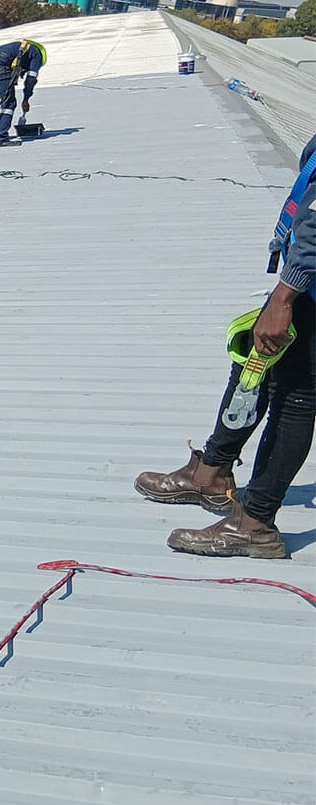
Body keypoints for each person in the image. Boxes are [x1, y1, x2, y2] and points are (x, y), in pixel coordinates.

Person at [135, 133, 316, 558]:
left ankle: (254, 522)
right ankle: (213, 472)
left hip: (306, 290)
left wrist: (285, 296)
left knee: (295, 397)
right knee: (253, 364)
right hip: (303, 285)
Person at [0, 39, 45, 147]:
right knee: (9, 103)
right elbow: (31, 79)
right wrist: (26, 98)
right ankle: (1, 137)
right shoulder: (37, 55)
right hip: (0, 68)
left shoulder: (21, 48)